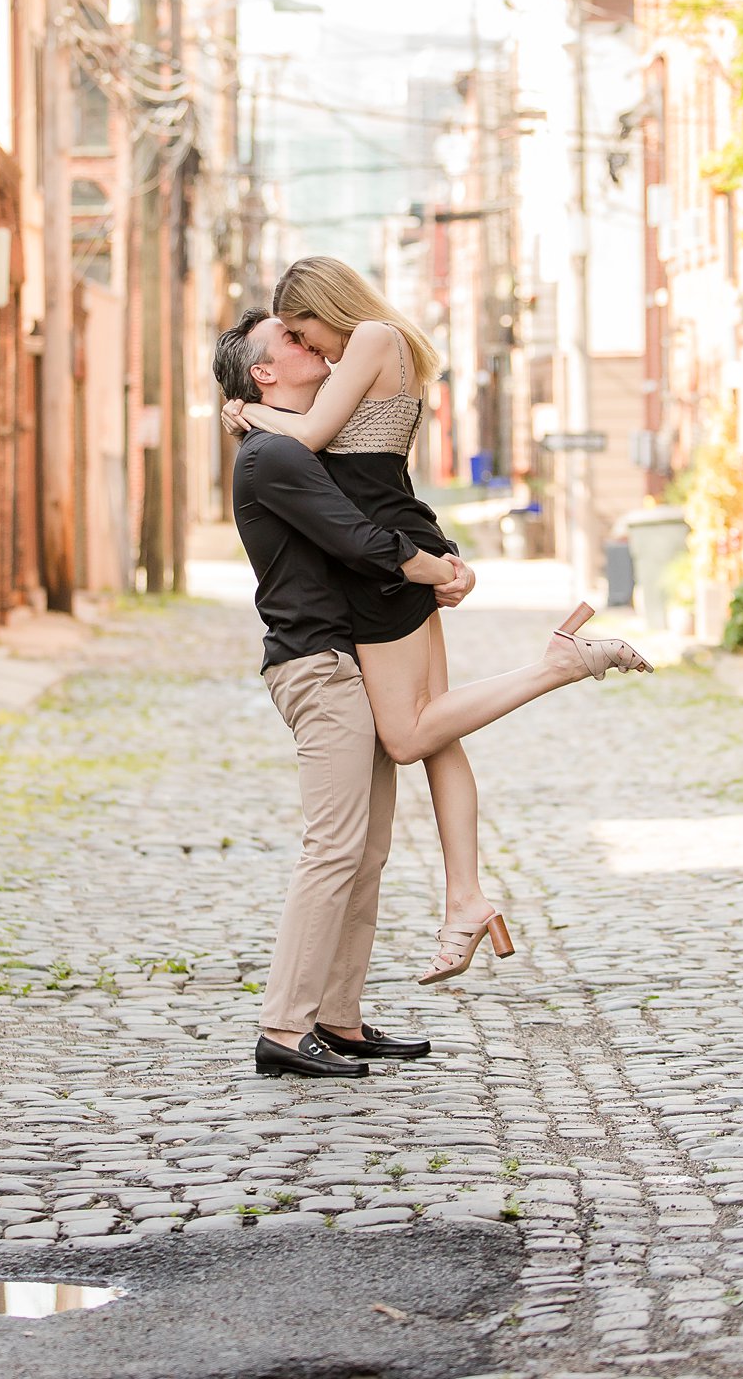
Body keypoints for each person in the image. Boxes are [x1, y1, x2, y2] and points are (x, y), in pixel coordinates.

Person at [222, 256, 649, 984]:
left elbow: (314, 435)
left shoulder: (371, 340)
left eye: (304, 329)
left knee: (410, 733)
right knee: (441, 726)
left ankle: (559, 663)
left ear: (328, 306)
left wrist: (246, 412)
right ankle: (466, 896)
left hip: (382, 565)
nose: (312, 348)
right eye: (292, 340)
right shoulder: (390, 343)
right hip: (401, 543)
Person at [213, 308, 472, 1081]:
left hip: (349, 660)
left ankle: (339, 1015)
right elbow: (360, 539)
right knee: (333, 846)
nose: (308, 342)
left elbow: (375, 501)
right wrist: (439, 568)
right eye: (288, 340)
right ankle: (284, 1027)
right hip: (316, 666)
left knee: (367, 850)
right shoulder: (274, 458)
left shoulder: (296, 442)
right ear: (264, 372)